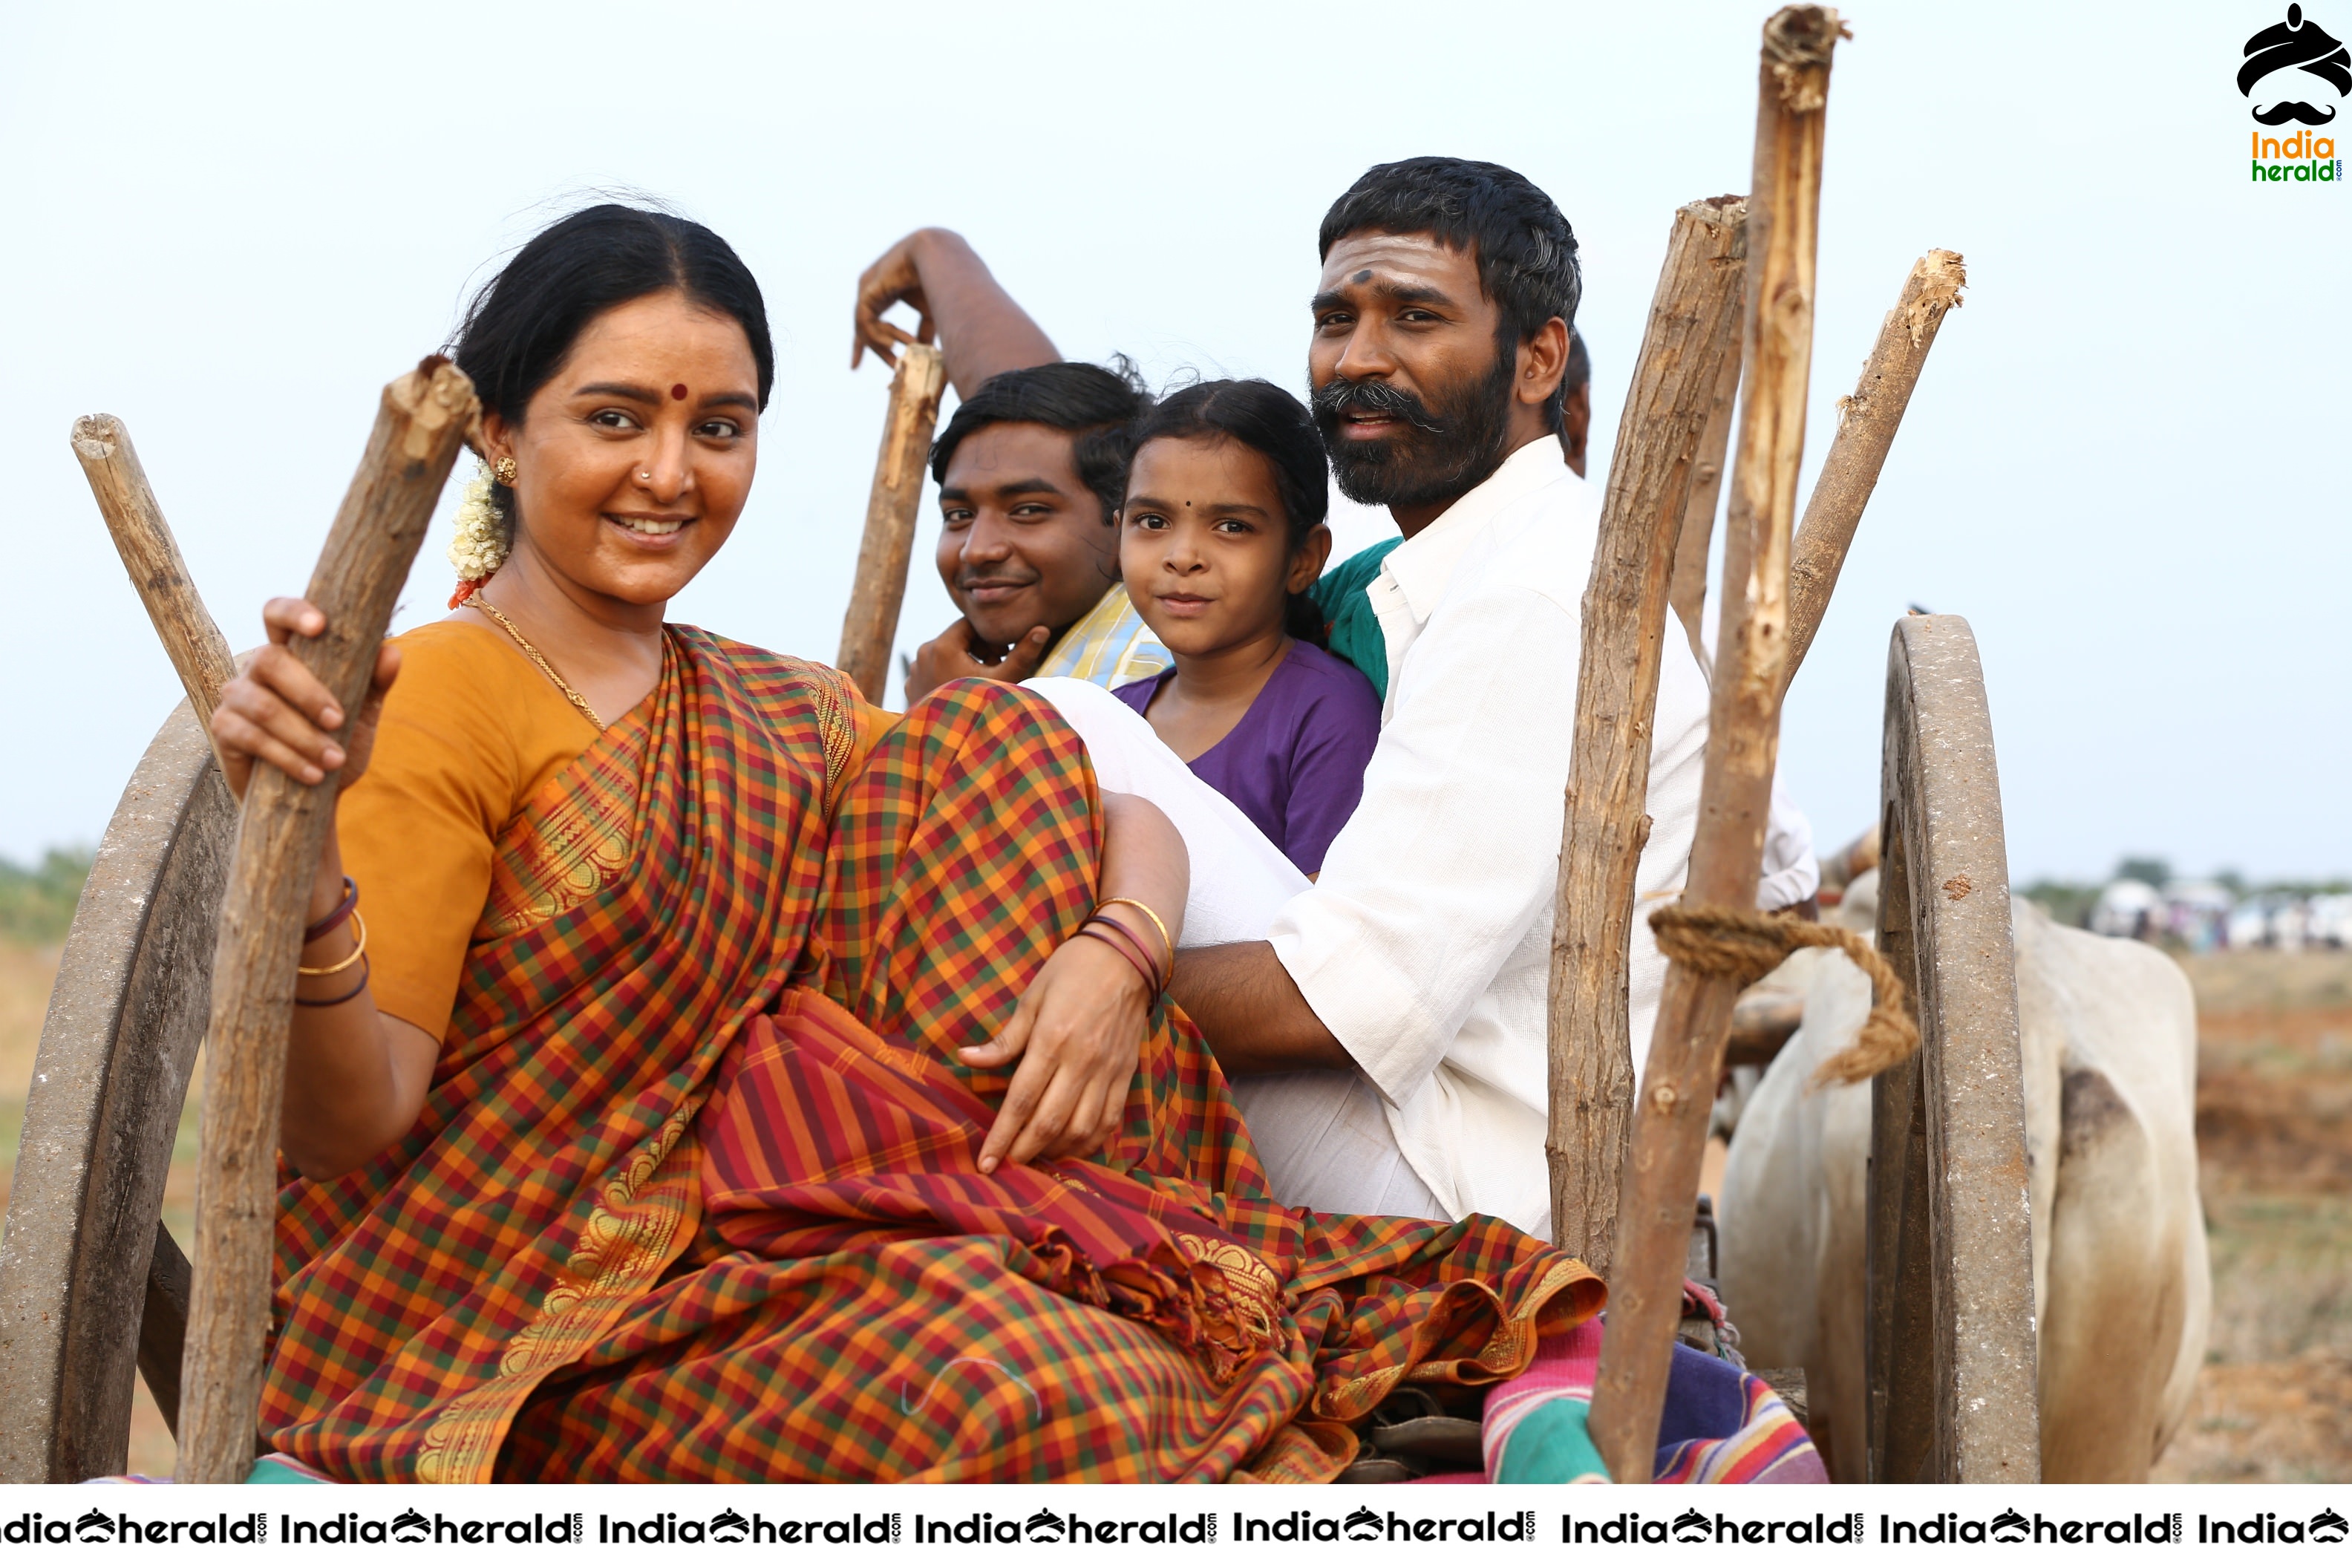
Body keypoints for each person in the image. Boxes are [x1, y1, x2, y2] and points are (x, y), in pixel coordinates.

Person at [203, 202, 1597, 1483]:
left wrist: (1120, 951)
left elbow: (1118, 810)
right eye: (615, 418)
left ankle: (1007, 1228)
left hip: (760, 1240)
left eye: (722, 427)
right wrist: (312, 870)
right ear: (501, 434)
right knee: (1036, 1379)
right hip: (508, 1310)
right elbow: (350, 1121)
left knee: (987, 744)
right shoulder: (439, 688)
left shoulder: (766, 702)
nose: (670, 474)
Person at [1160, 158, 1717, 1241]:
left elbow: (1346, 999)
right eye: (1336, 319)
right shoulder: (1443, 573)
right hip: (1423, 1137)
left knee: (1077, 730)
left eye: (1415, 318)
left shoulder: (1531, 595)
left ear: (1538, 357)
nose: (1359, 359)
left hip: (1461, 1186)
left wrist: (1080, 974)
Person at [856, 230, 1170, 699]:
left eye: (1027, 511)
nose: (977, 551)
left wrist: (940, 716)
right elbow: (1025, 417)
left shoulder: (1125, 678)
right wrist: (936, 253)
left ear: (1128, 520)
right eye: (958, 516)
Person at [1111, 380, 1379, 878]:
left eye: (1232, 526)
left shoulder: (1329, 715)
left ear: (1304, 559)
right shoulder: (1110, 719)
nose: (1183, 557)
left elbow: (1319, 933)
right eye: (1152, 521)